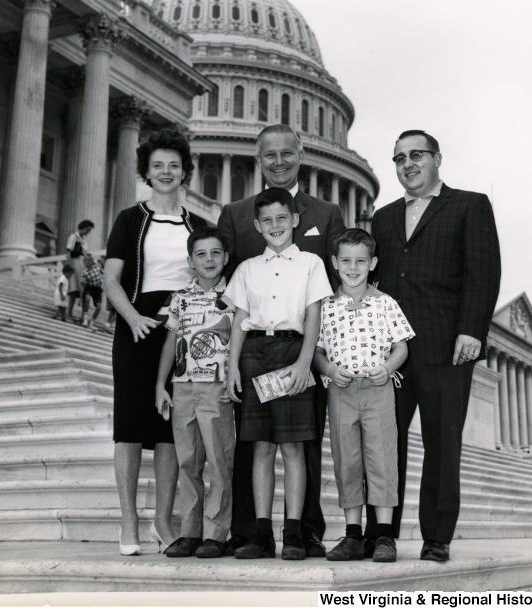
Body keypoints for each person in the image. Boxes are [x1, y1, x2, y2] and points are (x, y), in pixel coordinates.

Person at [369, 130, 501, 562]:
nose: (408, 164)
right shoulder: (384, 216)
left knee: (442, 444)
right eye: (399, 158)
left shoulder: (469, 204)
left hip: (447, 345)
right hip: (393, 351)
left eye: (417, 155)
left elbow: (482, 273)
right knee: (385, 443)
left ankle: (437, 536)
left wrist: (472, 329)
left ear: (437, 158)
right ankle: (382, 532)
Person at [218, 123, 346, 557]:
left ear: (300, 153)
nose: (278, 161)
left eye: (286, 153)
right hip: (255, 348)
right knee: (255, 443)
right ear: (258, 158)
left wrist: (317, 359)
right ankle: (253, 531)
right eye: (269, 154)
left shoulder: (325, 214)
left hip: (300, 348)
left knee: (301, 443)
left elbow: (329, 292)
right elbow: (232, 296)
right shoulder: (235, 213)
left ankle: (302, 530)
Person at [103, 128, 207, 556]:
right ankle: (128, 520)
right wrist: (133, 318)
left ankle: (164, 520)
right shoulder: (129, 219)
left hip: (180, 330)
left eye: (174, 165)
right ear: (146, 171)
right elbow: (111, 279)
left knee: (169, 430)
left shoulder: (199, 226)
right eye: (158, 165)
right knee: (129, 426)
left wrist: (184, 325)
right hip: (135, 326)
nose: (166, 172)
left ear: (185, 173)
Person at [314, 228, 414, 563]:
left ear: (372, 263)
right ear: (334, 262)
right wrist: (329, 371)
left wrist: (387, 368)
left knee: (382, 458)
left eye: (360, 260)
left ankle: (383, 535)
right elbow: (316, 351)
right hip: (341, 392)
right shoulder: (325, 306)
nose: (353, 267)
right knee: (347, 461)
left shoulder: (385, 303)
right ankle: (353, 534)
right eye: (345, 260)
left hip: (378, 390)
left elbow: (401, 347)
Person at [154, 226, 235, 559]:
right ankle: (189, 532)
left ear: (226, 257)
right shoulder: (180, 297)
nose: (209, 259)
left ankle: (216, 533)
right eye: (201, 254)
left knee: (218, 460)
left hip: (218, 386)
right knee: (187, 461)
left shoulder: (236, 295)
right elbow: (171, 340)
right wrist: (161, 384)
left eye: (216, 253)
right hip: (183, 386)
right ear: (190, 261)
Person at [66, 219, 94, 322]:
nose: (88, 232)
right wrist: (68, 265)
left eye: (89, 230)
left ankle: (83, 317)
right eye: (87, 229)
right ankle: (69, 314)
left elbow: (86, 254)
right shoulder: (74, 237)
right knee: (74, 290)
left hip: (82, 265)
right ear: (83, 227)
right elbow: (68, 251)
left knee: (82, 290)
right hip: (74, 264)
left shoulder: (83, 240)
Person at [81, 254, 104, 329]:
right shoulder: (85, 272)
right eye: (86, 260)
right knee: (87, 298)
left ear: (92, 261)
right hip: (89, 287)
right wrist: (81, 297)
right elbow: (83, 285)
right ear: (84, 261)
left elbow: (103, 269)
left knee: (99, 307)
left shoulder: (97, 267)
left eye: (89, 260)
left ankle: (92, 321)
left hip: (97, 289)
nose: (87, 262)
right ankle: (85, 318)